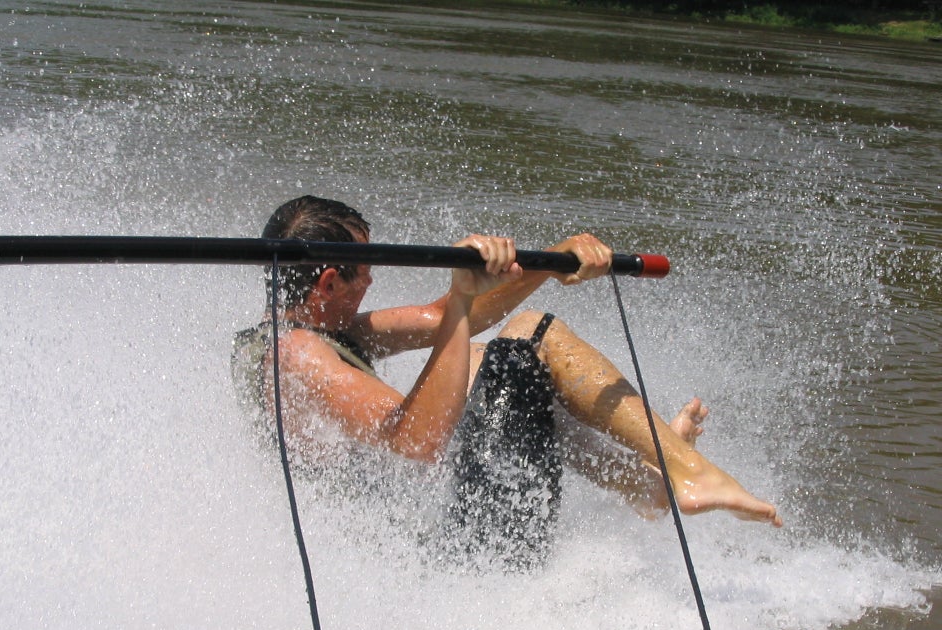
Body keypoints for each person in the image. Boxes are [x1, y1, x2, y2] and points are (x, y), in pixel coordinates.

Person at [234, 196, 781, 568]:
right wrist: (464, 302)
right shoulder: (297, 356)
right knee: (526, 343)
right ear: (330, 281)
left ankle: (649, 486)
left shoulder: (328, 329)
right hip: (434, 558)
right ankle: (686, 473)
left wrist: (551, 262)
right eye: (367, 271)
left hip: (424, 537)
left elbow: (445, 312)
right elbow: (415, 442)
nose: (374, 281)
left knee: (489, 356)